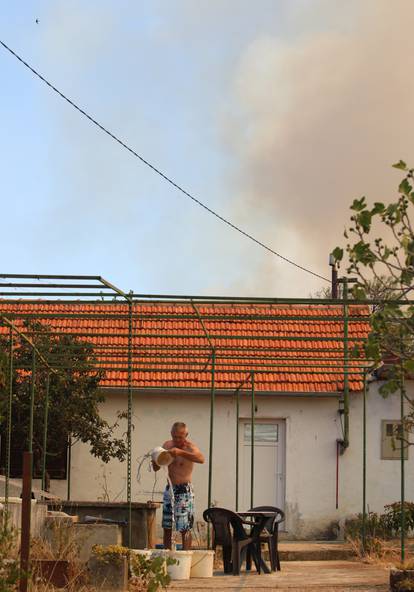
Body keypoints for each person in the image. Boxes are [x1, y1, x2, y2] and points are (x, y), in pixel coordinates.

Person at [152, 421, 204, 550]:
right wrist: (155, 457)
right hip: (170, 489)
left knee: (184, 527)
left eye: (180, 437)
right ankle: (167, 555)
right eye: (175, 436)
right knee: (167, 525)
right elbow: (156, 468)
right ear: (171, 434)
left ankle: (186, 556)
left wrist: (180, 453)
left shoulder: (190, 447)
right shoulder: (167, 445)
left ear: (186, 435)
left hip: (184, 490)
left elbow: (201, 459)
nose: (177, 440)